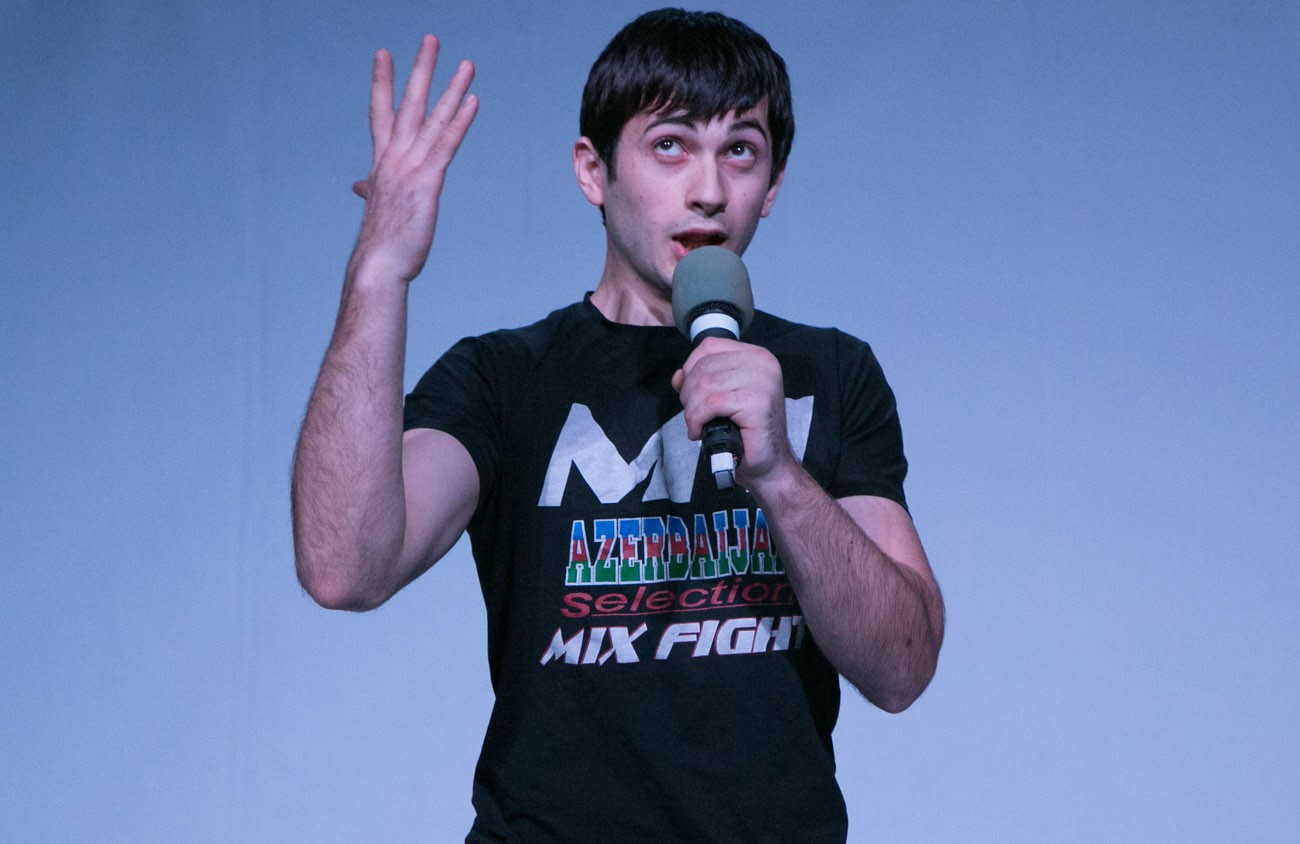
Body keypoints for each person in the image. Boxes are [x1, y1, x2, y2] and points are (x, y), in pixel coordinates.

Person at [292, 9, 944, 843]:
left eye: (741, 151)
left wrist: (781, 473)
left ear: (773, 185)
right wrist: (380, 271)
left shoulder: (830, 372)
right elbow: (344, 566)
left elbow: (901, 667)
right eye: (670, 145)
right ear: (593, 171)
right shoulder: (504, 377)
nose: (709, 189)